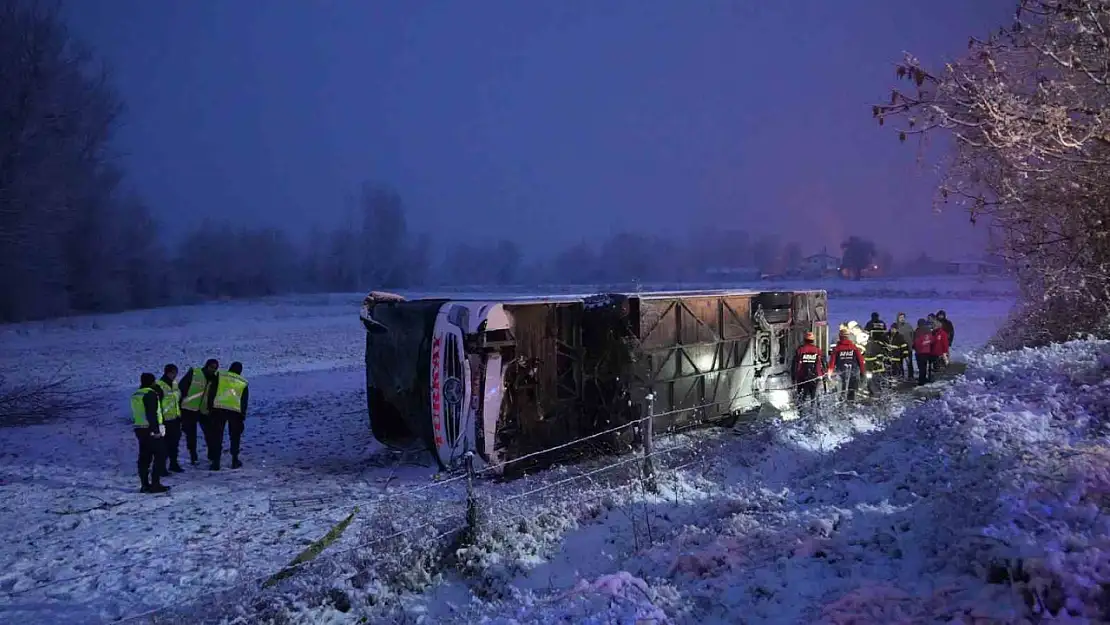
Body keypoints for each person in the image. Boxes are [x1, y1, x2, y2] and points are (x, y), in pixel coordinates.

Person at [205, 361, 250, 470]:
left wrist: (210, 408)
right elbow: (244, 401)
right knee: (235, 437)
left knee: (217, 437)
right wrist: (242, 416)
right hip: (235, 412)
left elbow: (212, 392)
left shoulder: (221, 376)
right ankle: (234, 460)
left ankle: (216, 462)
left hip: (219, 410)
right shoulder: (243, 382)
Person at [131, 372, 169, 494]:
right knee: (160, 455)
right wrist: (156, 431)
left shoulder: (136, 394)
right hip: (150, 429)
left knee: (144, 457)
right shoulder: (150, 394)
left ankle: (144, 484)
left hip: (139, 428)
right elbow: (151, 414)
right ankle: (155, 484)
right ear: (152, 382)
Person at [179, 359, 219, 465]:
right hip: (188, 409)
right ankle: (193, 456)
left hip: (203, 410)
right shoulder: (194, 373)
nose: (213, 370)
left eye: (215, 368)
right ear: (206, 366)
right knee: (191, 435)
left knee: (210, 434)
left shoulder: (214, 379)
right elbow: (182, 388)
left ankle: (211, 455)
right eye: (212, 367)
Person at [155, 364, 184, 474]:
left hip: (175, 419)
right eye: (174, 373)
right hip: (165, 420)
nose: (175, 375)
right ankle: (162, 467)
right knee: (164, 445)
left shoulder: (175, 383)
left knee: (174, 444)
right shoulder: (159, 385)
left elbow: (177, 400)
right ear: (168, 372)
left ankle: (173, 464)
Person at [829, 328, 866, 401]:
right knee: (851, 392)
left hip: (841, 374)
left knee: (841, 392)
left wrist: (830, 373)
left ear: (840, 336)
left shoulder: (837, 349)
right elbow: (861, 361)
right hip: (853, 373)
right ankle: (850, 407)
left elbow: (832, 363)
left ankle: (841, 406)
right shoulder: (854, 348)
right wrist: (862, 373)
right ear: (848, 337)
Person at [792, 331, 827, 405]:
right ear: (813, 340)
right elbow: (822, 364)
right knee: (813, 397)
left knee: (801, 397)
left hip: (802, 378)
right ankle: (813, 412)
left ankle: (801, 412)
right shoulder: (817, 350)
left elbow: (795, 364)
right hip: (814, 377)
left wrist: (793, 377)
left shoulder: (800, 350)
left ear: (805, 340)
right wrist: (824, 375)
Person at [862, 312, 888, 392]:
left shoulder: (869, 323)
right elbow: (885, 332)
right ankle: (882, 382)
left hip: (872, 346)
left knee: (871, 367)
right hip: (882, 345)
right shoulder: (882, 323)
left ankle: (872, 385)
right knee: (881, 363)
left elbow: (866, 332)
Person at [890, 312, 915, 380]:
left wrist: (912, 344)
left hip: (908, 348)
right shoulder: (895, 326)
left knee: (909, 363)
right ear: (898, 318)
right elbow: (891, 335)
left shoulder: (908, 326)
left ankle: (911, 376)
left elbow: (913, 335)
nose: (902, 319)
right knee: (899, 363)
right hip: (899, 349)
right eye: (901, 317)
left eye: (903, 317)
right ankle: (901, 375)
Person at [912, 318, 935, 385]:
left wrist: (914, 347)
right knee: (924, 366)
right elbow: (932, 340)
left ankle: (921, 381)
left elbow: (915, 342)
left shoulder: (917, 331)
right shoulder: (928, 331)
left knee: (921, 367)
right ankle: (924, 378)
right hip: (927, 351)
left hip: (919, 352)